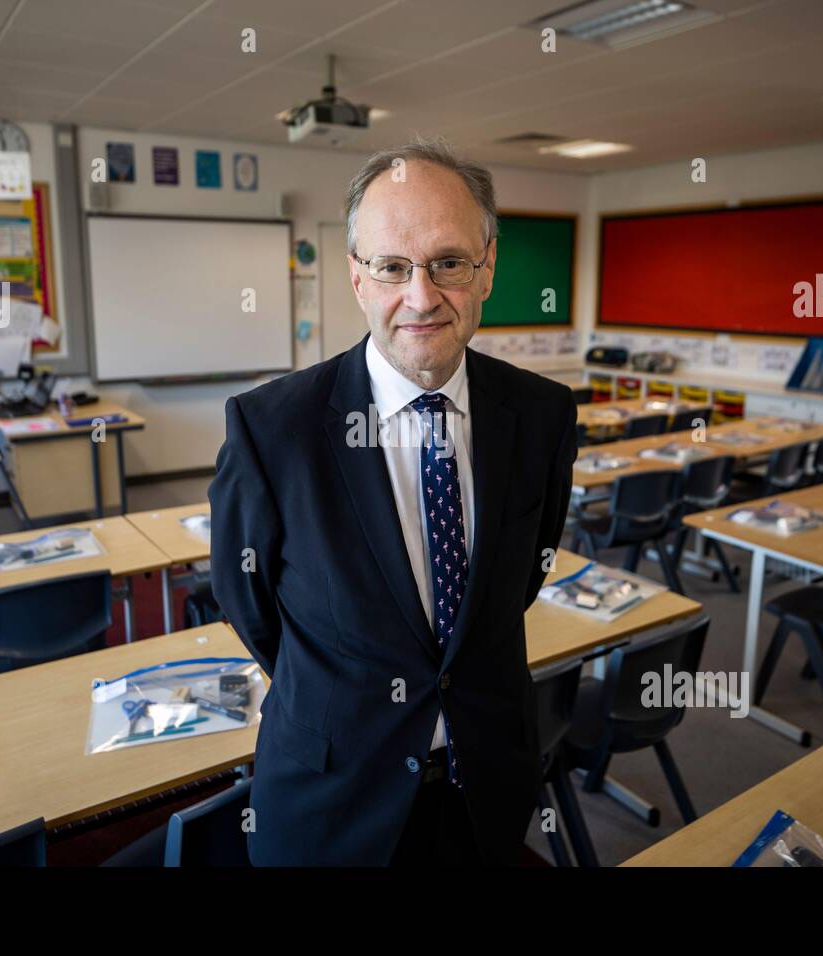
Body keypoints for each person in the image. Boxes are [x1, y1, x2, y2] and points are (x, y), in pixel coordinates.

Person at [209, 138, 577, 865]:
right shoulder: (272, 428)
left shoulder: (542, 415)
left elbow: (520, 585)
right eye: (391, 267)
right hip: (331, 800)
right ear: (356, 276)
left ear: (489, 267)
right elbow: (248, 603)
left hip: (485, 792)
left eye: (449, 263)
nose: (421, 295)